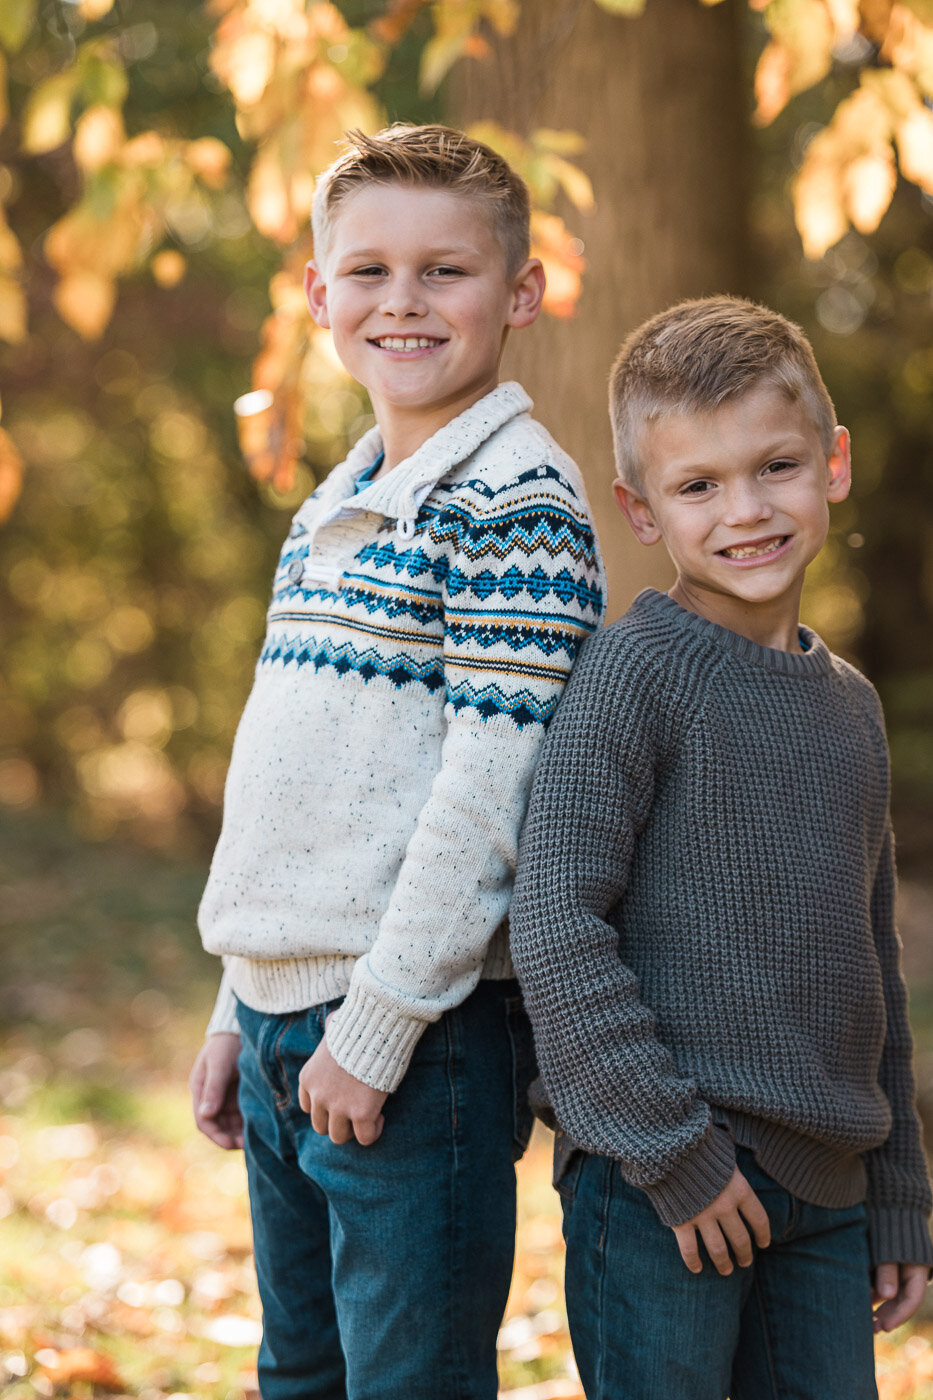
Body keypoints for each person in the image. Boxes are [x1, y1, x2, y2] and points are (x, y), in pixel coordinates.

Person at [188, 123, 605, 1400]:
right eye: (366, 271)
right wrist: (233, 1001)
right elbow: (285, 779)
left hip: (413, 1035)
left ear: (520, 294)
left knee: (405, 1380)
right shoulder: (335, 500)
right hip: (278, 1020)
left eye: (446, 271)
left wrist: (374, 1027)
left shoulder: (516, 502)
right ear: (318, 296)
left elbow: (496, 794)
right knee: (301, 1368)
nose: (402, 302)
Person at [509, 295, 933, 1400]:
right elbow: (555, 920)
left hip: (829, 1197)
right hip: (665, 1186)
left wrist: (897, 1189)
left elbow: (870, 965)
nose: (745, 510)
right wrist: (675, 1154)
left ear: (832, 464)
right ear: (641, 510)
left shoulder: (851, 706)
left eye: (775, 467)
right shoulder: (634, 675)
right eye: (698, 485)